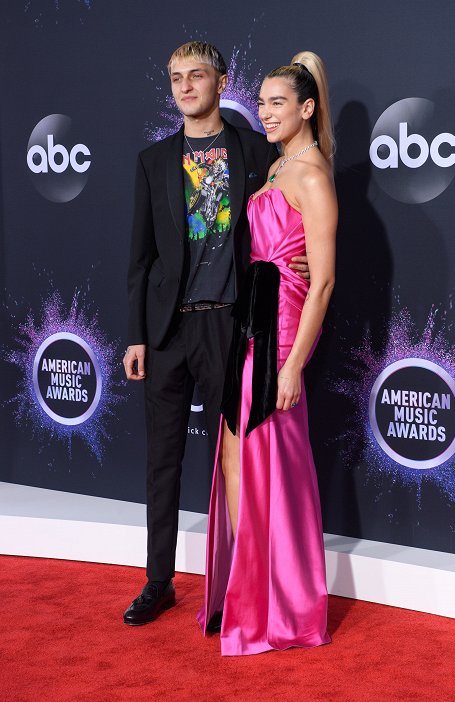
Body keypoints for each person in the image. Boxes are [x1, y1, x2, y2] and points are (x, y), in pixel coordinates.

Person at [122, 41, 310, 626]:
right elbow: (140, 257)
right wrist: (135, 335)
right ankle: (159, 582)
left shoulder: (259, 151)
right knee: (163, 460)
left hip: (232, 325)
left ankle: (238, 584)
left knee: (237, 461)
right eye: (175, 78)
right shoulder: (152, 161)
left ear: (220, 81)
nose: (184, 87)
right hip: (166, 331)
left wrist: (295, 259)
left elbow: (295, 213)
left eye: (195, 76)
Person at [198, 51, 337, 655]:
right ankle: (247, 590)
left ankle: (281, 605)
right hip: (247, 332)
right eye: (261, 103)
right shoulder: (278, 166)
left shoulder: (311, 175)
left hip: (278, 339)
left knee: (273, 473)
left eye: (278, 102)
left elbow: (324, 280)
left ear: (307, 108)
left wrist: (293, 366)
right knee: (235, 463)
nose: (265, 112)